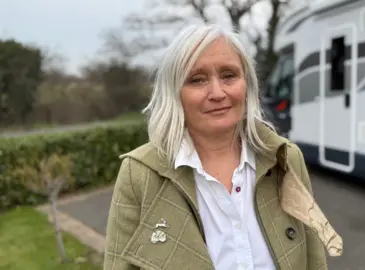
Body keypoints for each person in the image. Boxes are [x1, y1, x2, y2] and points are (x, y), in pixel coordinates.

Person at [103, 24, 343, 270]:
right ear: (174, 92)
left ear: (247, 84)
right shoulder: (139, 175)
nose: (217, 93)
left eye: (229, 75)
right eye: (197, 80)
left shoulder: (285, 158)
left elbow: (314, 260)